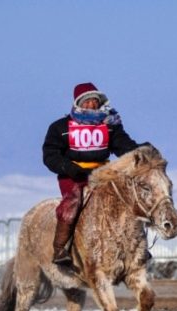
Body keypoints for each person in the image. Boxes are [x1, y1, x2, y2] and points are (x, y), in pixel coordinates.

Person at [42, 82, 140, 268]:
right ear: (78, 103)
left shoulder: (110, 125)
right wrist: (68, 167)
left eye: (94, 101)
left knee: (127, 197)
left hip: (102, 173)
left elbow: (122, 145)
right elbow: (50, 155)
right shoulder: (60, 128)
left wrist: (140, 151)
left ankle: (135, 244)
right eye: (86, 101)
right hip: (73, 175)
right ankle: (60, 249)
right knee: (73, 203)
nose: (91, 105)